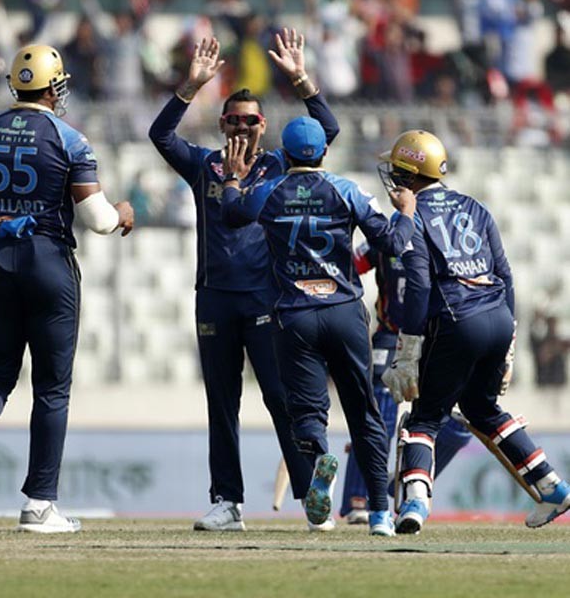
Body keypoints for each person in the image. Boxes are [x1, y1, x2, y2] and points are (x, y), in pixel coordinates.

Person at [0, 44, 134, 533]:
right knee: (51, 389)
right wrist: (124, 215)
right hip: (49, 265)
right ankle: (39, 503)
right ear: (53, 87)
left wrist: (2, 219)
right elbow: (96, 218)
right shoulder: (69, 138)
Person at [149, 31, 337, 532]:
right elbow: (161, 136)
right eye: (232, 120)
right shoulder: (204, 165)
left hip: (264, 300)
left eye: (250, 120)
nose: (241, 127)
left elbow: (328, 130)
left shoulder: (279, 165)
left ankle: (310, 499)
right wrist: (189, 86)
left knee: (281, 399)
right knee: (222, 402)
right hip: (214, 298)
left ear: (263, 125)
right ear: (222, 123)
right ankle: (227, 501)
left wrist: (300, 78)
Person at [221, 116, 417, 536]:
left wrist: (235, 179)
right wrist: (405, 213)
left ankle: (320, 478)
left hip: (294, 315)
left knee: (308, 415)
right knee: (363, 411)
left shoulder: (269, 190)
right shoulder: (347, 190)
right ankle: (381, 514)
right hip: (344, 311)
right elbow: (393, 244)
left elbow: (233, 214)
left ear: (285, 153)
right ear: (324, 152)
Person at [379, 129, 570, 533]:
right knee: (483, 411)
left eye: (398, 172)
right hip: (497, 318)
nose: (393, 180)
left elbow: (418, 284)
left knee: (424, 419)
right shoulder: (474, 206)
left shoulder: (413, 216)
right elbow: (505, 274)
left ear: (411, 175)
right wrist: (511, 340)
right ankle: (552, 488)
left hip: (455, 320)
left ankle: (414, 504)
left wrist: (409, 348)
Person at [338, 241, 472, 524]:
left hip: (434, 339)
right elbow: (347, 267)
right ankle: (356, 498)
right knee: (379, 415)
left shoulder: (440, 237)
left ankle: (403, 481)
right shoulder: (385, 236)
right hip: (391, 338)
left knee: (458, 426)